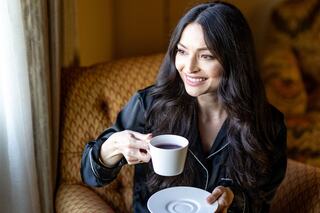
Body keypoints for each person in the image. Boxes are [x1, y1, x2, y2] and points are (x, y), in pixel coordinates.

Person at [81, 1, 287, 212]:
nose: (189, 67)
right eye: (182, 51)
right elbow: (89, 174)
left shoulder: (269, 124)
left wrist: (234, 198)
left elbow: (262, 200)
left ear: (235, 59)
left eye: (206, 56)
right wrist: (113, 146)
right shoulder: (149, 105)